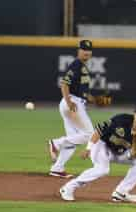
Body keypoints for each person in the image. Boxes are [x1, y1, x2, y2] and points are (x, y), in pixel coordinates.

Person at [59, 103, 136, 202]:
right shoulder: (121, 119)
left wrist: (134, 150)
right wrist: (88, 148)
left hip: (120, 153)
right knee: (102, 169)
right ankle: (68, 188)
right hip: (102, 145)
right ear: (134, 114)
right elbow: (99, 130)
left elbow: (133, 155)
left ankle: (120, 192)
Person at [48, 40, 95, 178]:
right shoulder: (76, 65)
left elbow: (81, 91)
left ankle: (57, 168)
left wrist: (94, 99)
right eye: (83, 49)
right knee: (89, 134)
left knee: (73, 140)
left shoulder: (82, 66)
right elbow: (64, 84)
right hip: (73, 103)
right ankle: (55, 143)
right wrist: (69, 102)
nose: (86, 52)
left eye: (89, 49)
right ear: (78, 50)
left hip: (75, 102)